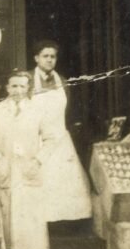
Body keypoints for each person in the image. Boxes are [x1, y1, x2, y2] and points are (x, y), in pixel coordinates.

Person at [0, 69, 53, 249]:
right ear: (7, 88)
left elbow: (52, 139)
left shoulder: (38, 111)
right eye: (13, 86)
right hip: (6, 168)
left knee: (32, 216)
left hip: (29, 169)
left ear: (28, 88)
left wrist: (38, 160)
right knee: (7, 214)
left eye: (22, 86)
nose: (18, 90)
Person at [31, 41, 93, 222]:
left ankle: (62, 225)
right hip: (37, 140)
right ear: (36, 58)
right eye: (45, 56)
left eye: (53, 56)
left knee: (64, 183)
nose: (50, 60)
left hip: (60, 139)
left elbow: (66, 110)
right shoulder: (27, 80)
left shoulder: (63, 81)